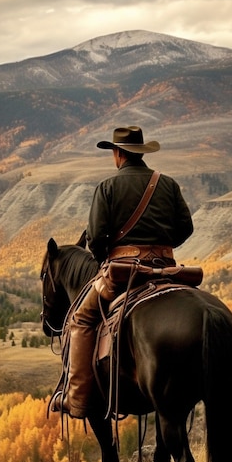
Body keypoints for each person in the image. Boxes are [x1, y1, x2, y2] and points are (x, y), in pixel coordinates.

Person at [63, 125, 194, 418]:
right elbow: (186, 227)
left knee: (80, 320)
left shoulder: (107, 187)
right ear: (141, 152)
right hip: (166, 269)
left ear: (118, 153)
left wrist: (105, 258)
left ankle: (79, 400)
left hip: (122, 272)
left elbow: (95, 238)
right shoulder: (168, 184)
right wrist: (160, 248)